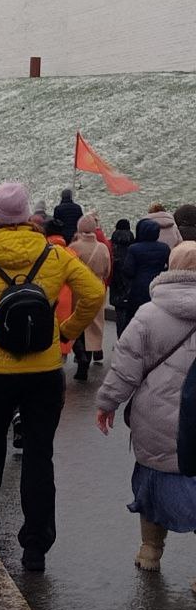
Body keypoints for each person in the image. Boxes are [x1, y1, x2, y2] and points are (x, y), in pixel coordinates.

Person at [0, 182, 105, 572]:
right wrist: (66, 333)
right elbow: (92, 294)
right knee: (39, 455)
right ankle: (35, 546)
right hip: (43, 370)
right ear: (26, 215)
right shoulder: (54, 254)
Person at [96, 241, 196, 578]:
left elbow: (126, 368)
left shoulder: (149, 314)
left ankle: (150, 550)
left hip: (155, 415)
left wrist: (107, 403)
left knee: (153, 480)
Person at [69, 215, 112, 380]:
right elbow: (107, 271)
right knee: (94, 324)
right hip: (98, 287)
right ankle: (94, 351)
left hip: (78, 289)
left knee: (78, 322)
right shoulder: (102, 247)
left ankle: (81, 358)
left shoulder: (74, 247)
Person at [120, 218, 171, 333]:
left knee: (134, 317)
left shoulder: (134, 248)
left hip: (139, 287)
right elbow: (170, 266)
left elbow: (128, 270)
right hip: (158, 286)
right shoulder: (164, 248)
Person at [109, 218, 136, 337]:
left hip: (116, 284)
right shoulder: (134, 246)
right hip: (131, 285)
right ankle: (129, 339)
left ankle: (120, 339)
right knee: (131, 313)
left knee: (119, 313)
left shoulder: (111, 246)